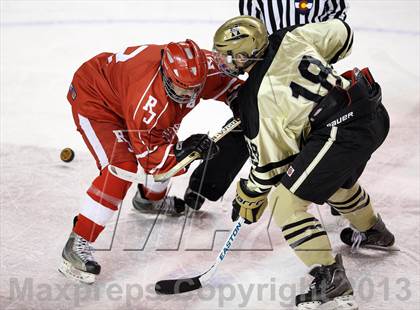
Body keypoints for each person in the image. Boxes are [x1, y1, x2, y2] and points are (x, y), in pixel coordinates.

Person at [212, 16, 395, 309]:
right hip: (370, 111)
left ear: (249, 53)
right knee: (329, 181)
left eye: (230, 55)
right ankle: (374, 231)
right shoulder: (289, 36)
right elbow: (343, 34)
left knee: (285, 203)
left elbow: (270, 167)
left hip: (342, 132)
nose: (224, 61)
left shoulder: (258, 100)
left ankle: (329, 278)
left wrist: (250, 193)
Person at [58, 39, 242, 283]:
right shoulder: (148, 103)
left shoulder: (197, 70)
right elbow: (152, 163)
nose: (188, 96)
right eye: (181, 91)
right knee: (121, 168)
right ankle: (77, 242)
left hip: (124, 94)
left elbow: (229, 85)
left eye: (194, 89)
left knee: (165, 144)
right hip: (96, 101)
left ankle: (149, 201)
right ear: (165, 76)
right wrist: (185, 150)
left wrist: (242, 102)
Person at [185, 0, 348, 214]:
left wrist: (307, 52)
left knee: (325, 128)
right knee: (247, 124)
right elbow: (249, 24)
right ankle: (205, 186)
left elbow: (337, 14)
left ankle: (338, 192)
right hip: (266, 60)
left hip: (304, 58)